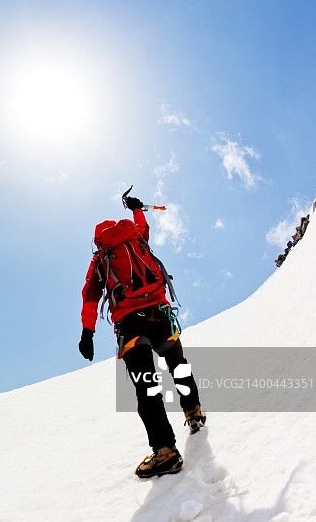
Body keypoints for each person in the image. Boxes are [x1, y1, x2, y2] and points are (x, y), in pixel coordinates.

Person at [78, 193, 206, 478]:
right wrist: (137, 209)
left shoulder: (101, 258)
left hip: (130, 325)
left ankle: (165, 452)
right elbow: (143, 225)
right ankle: (193, 411)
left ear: (98, 238)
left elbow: (90, 295)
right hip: (161, 314)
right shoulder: (136, 237)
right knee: (178, 365)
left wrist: (88, 332)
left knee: (147, 385)